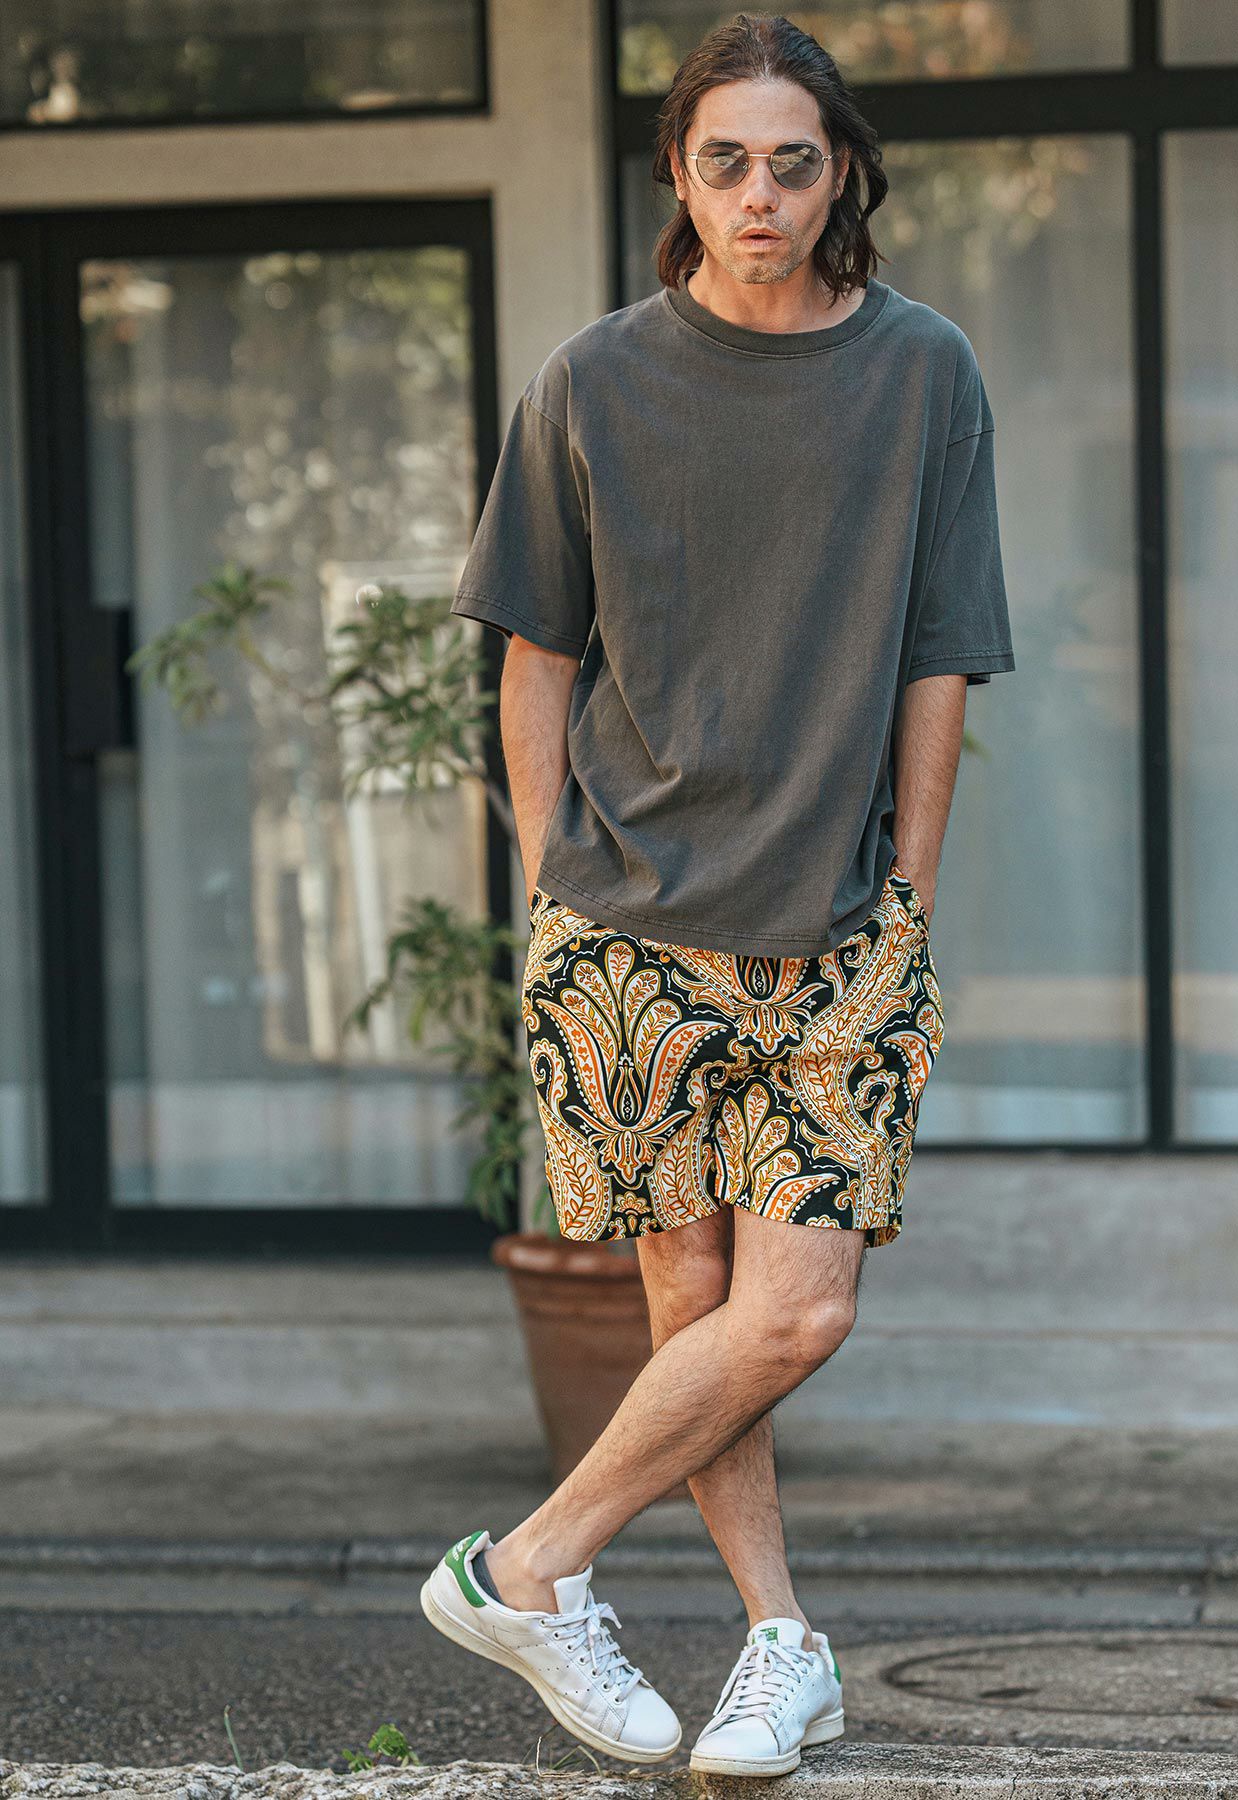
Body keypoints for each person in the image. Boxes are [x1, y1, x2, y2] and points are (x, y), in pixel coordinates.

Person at [419, 10, 1015, 1779]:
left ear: (843, 180)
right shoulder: (592, 381)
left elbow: (941, 653)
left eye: (793, 163)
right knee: (699, 1320)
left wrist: (908, 898)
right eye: (725, 161)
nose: (761, 195)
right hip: (626, 933)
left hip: (837, 932)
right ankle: (780, 1644)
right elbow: (536, 654)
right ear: (680, 177)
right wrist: (557, 882)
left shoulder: (924, 373)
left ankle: (526, 1566)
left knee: (796, 1312)